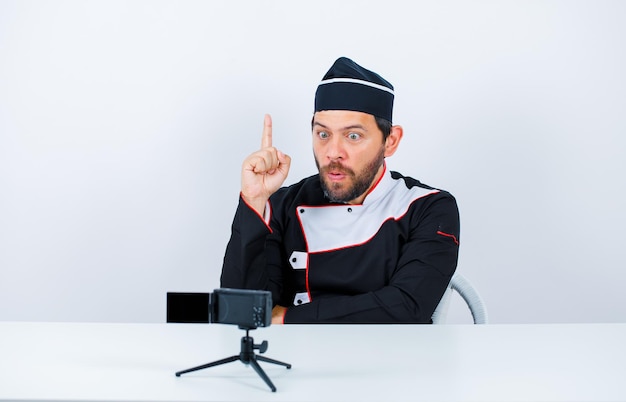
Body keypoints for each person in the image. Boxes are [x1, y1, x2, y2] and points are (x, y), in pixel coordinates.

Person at [220, 57, 460, 324]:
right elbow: (240, 310)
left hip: (393, 362)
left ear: (390, 141)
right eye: (323, 134)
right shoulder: (280, 204)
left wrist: (285, 317)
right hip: (293, 361)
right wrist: (253, 201)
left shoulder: (427, 207)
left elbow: (405, 307)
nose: (333, 153)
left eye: (353, 136)